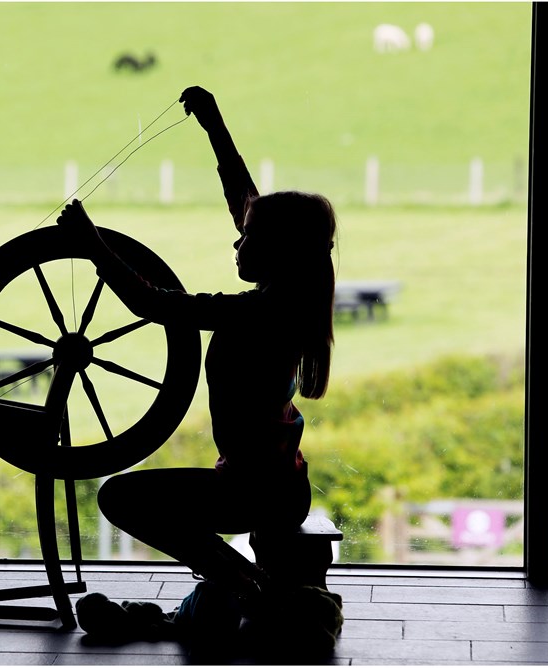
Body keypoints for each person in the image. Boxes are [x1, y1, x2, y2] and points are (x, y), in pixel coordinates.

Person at [56, 85, 337, 608]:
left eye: (248, 237)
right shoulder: (288, 300)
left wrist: (92, 245)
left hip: (256, 494)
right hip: (277, 487)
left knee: (118, 497)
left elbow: (150, 302)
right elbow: (246, 202)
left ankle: (244, 582)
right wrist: (214, 125)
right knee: (135, 497)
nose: (238, 240)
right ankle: (243, 580)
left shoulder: (258, 314)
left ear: (276, 252)